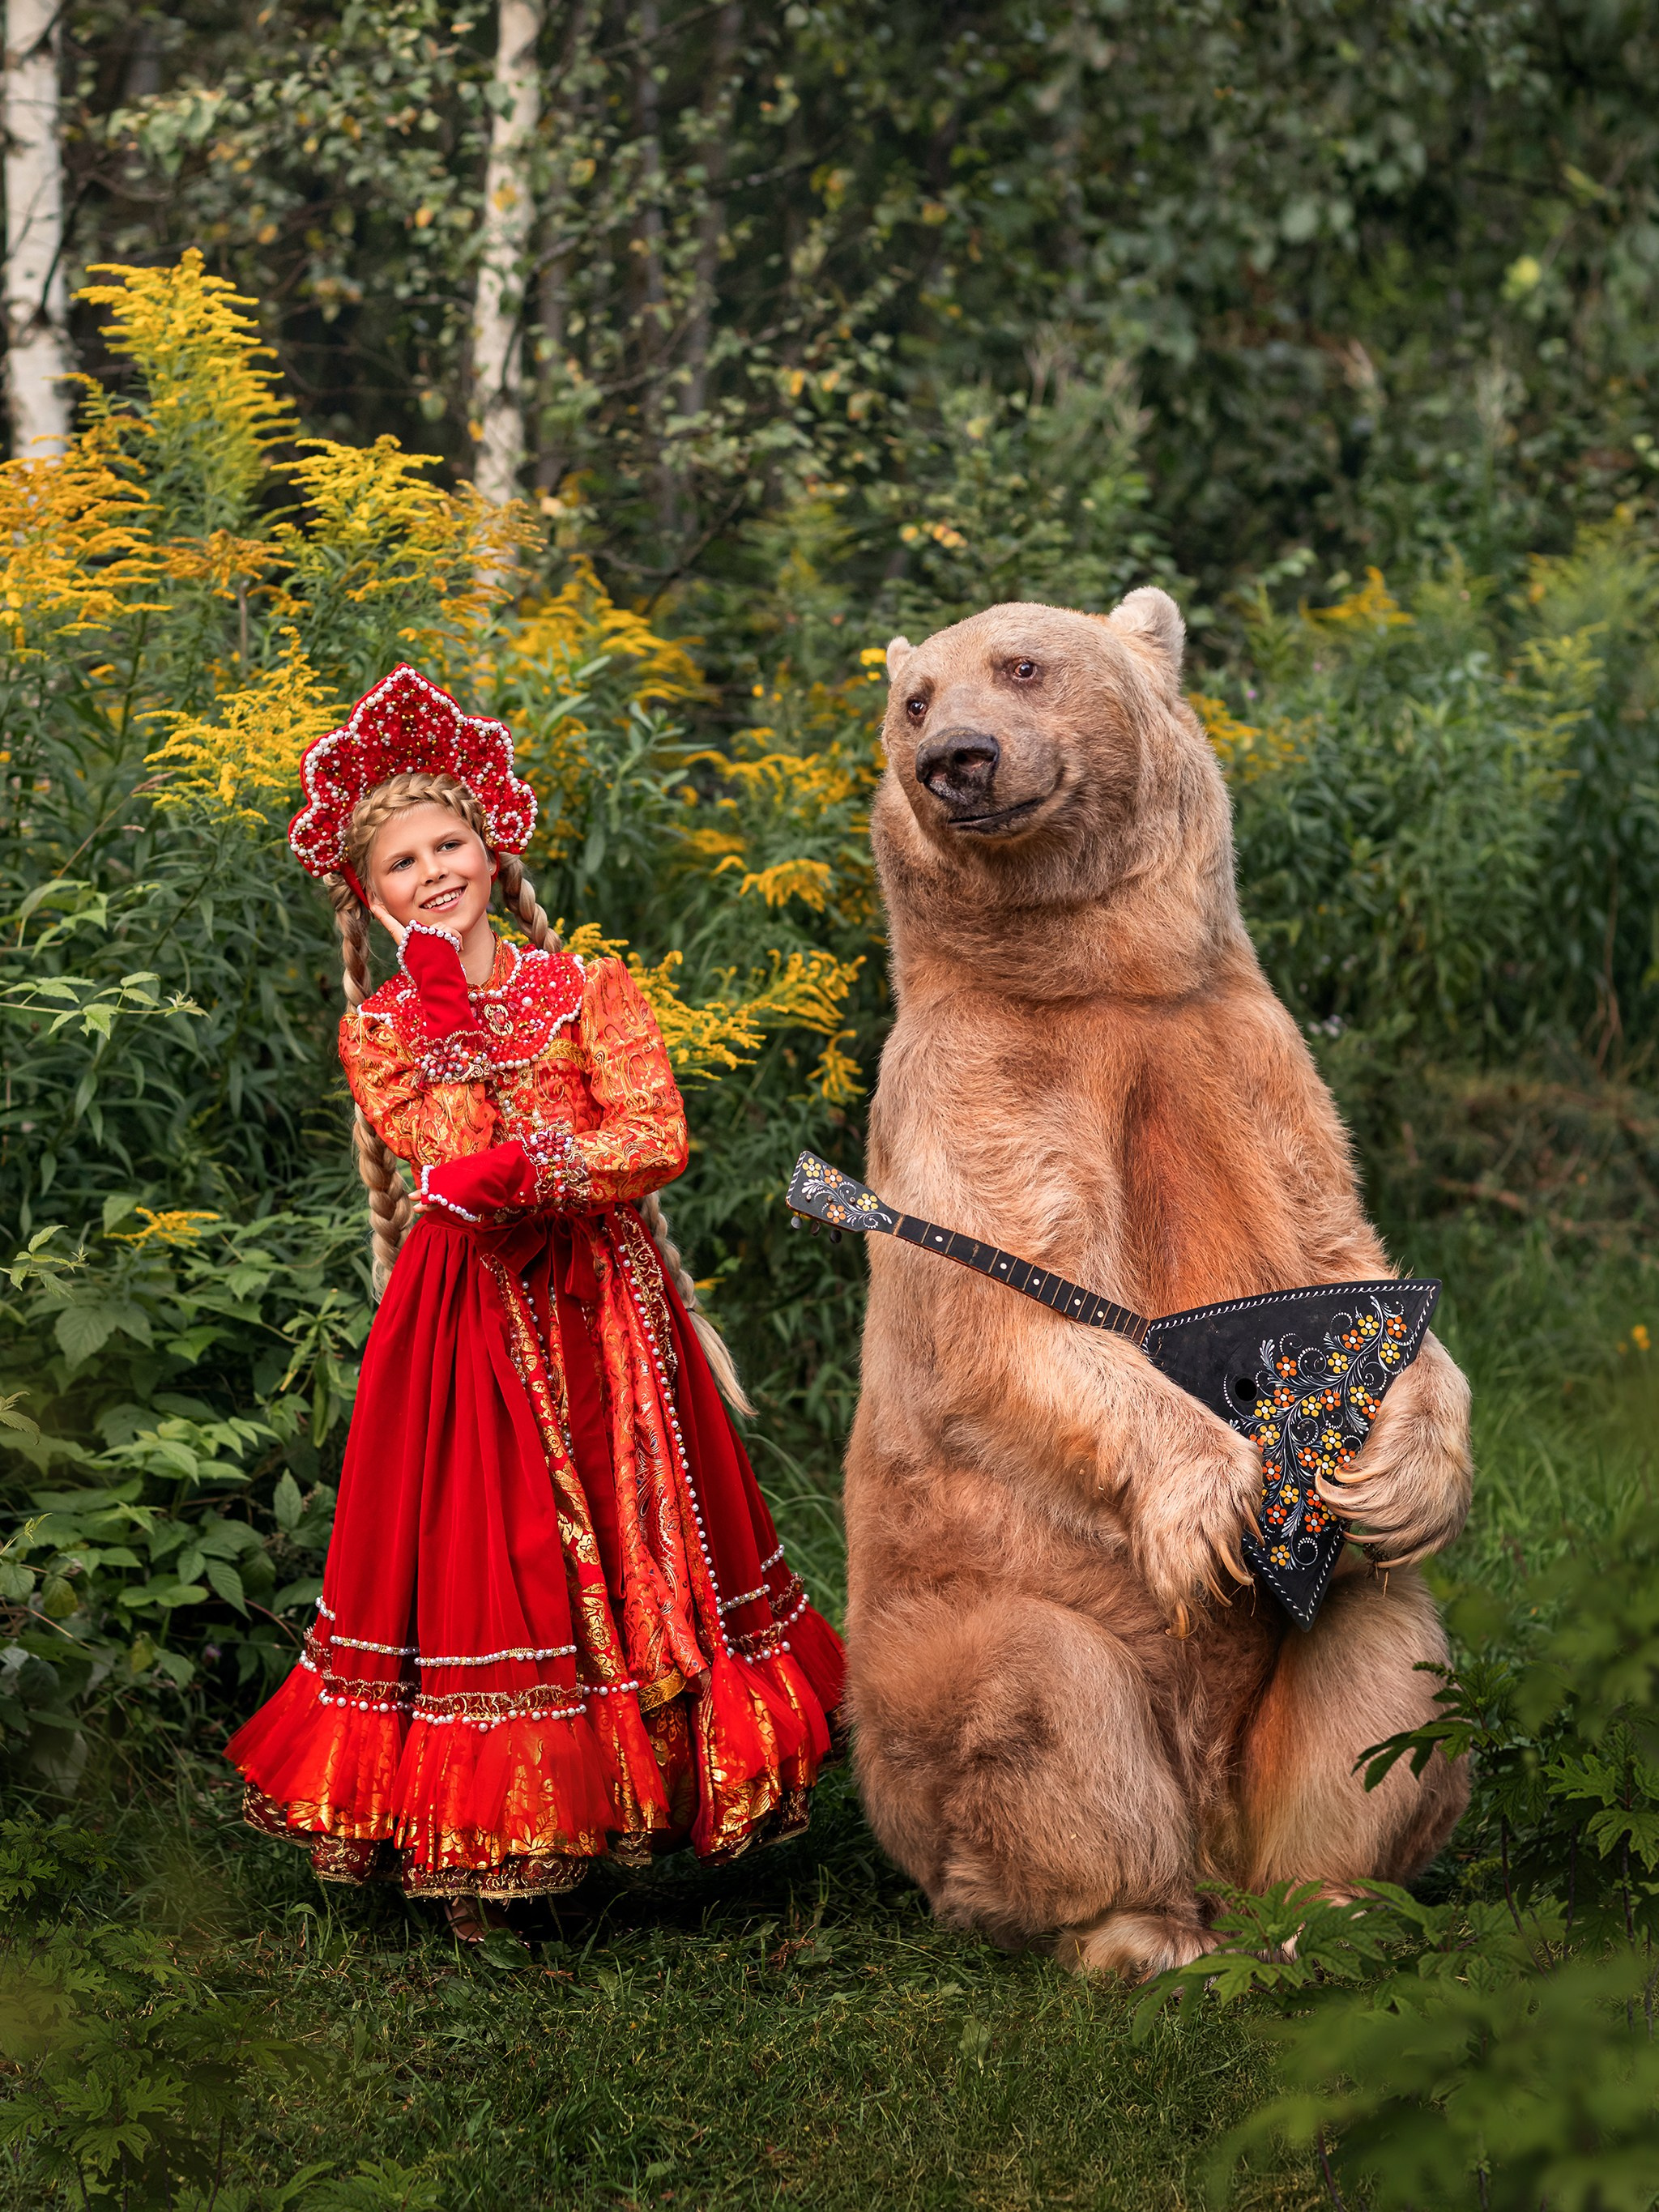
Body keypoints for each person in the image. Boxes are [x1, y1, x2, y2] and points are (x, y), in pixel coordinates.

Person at [227, 665, 843, 1941]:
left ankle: (646, 1804)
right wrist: (448, 1009)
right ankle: (489, 1843)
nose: (433, 873)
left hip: (610, 1313)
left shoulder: (590, 989)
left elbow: (656, 1135)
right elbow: (445, 1163)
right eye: (401, 863)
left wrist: (530, 1170)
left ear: (493, 849)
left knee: (636, 1547)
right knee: (488, 1556)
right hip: (467, 1330)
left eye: (450, 843)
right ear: (369, 895)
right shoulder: (385, 1028)